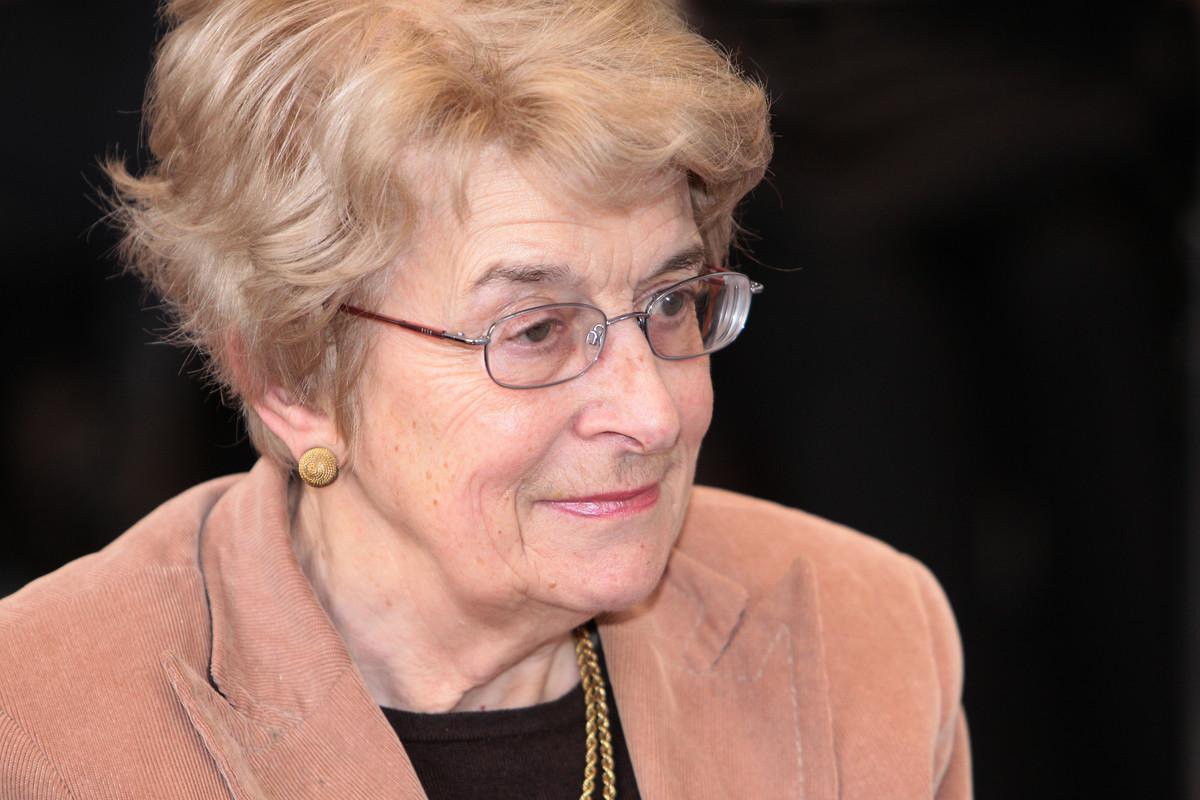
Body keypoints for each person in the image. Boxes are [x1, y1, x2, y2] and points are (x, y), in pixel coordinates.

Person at [0, 0, 970, 797]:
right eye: (537, 330)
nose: (652, 412)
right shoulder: (41, 731)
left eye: (671, 302)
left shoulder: (860, 639)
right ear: (293, 375)